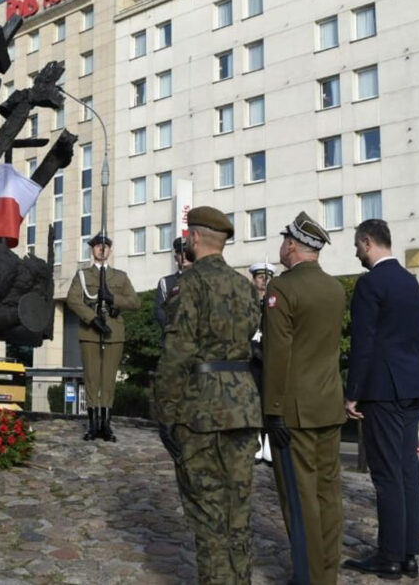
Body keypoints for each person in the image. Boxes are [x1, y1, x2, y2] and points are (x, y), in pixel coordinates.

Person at [153, 207, 263, 583]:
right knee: (238, 512)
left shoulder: (190, 284)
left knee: (208, 514)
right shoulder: (245, 286)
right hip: (243, 405)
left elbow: (177, 352)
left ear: (195, 238)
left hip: (201, 409)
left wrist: (165, 412)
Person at [341, 219, 419, 579]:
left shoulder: (371, 283)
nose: (356, 253)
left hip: (383, 389)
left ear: (367, 242)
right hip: (412, 384)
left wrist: (353, 393)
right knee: (407, 471)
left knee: (387, 473)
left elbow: (363, 343)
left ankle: (390, 556)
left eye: (357, 246)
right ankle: (408, 554)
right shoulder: (411, 282)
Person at [262, 211, 346, 584]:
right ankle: (327, 571)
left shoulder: (282, 288)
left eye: (285, 240)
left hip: (294, 410)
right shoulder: (335, 288)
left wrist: (273, 410)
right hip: (328, 404)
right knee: (328, 493)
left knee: (300, 498)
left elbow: (277, 354)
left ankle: (310, 577)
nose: (282, 246)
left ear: (293, 245)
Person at [65, 233, 140, 442]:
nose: (102, 249)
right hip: (90, 332)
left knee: (108, 379)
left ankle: (106, 425)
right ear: (92, 249)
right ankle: (93, 424)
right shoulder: (83, 275)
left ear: (110, 250)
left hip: (113, 333)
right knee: (91, 379)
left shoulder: (120, 276)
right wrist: (92, 319)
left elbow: (135, 302)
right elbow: (73, 299)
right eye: (98, 245)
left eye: (105, 246)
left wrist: (114, 299)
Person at [248, 261, 275, 466]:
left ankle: (268, 442)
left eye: (267, 278)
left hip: (270, 358)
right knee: (254, 399)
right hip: (252, 358)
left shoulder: (275, 302)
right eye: (260, 277)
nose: (264, 282)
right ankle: (255, 440)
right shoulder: (248, 302)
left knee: (269, 399)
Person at [154, 237, 190, 333]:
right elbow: (160, 310)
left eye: (187, 252)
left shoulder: (203, 278)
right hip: (175, 335)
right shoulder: (166, 282)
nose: (184, 256)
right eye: (180, 253)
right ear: (175, 258)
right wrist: (172, 330)